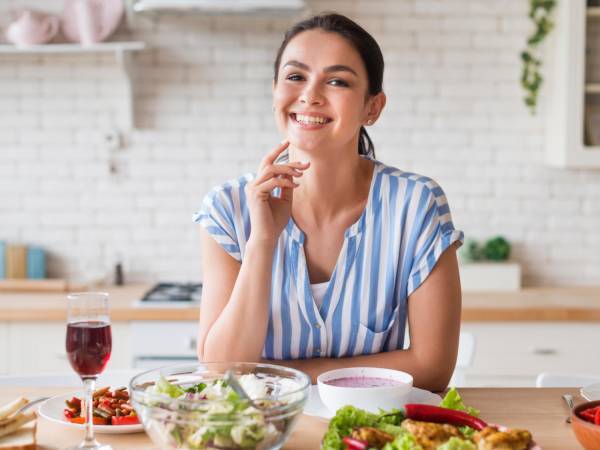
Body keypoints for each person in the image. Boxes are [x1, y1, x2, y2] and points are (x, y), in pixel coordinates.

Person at [193, 13, 463, 391]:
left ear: (373, 107)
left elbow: (432, 367)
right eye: (295, 77)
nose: (310, 95)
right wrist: (263, 243)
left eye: (337, 81)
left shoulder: (416, 205)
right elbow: (221, 370)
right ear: (274, 91)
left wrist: (277, 375)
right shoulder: (228, 209)